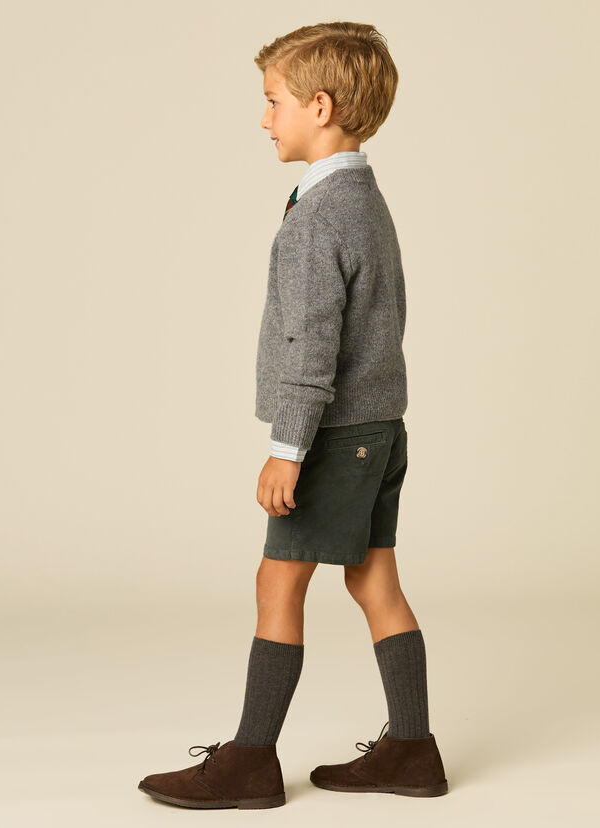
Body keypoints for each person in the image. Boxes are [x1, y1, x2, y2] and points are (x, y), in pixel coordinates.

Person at [137, 20, 448, 810]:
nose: (264, 118)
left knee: (276, 582)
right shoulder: (361, 197)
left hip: (334, 434)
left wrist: (288, 448)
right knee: (373, 578)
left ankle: (250, 761)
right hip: (378, 428)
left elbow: (313, 344)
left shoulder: (320, 217)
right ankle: (412, 751)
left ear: (321, 106)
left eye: (273, 101)